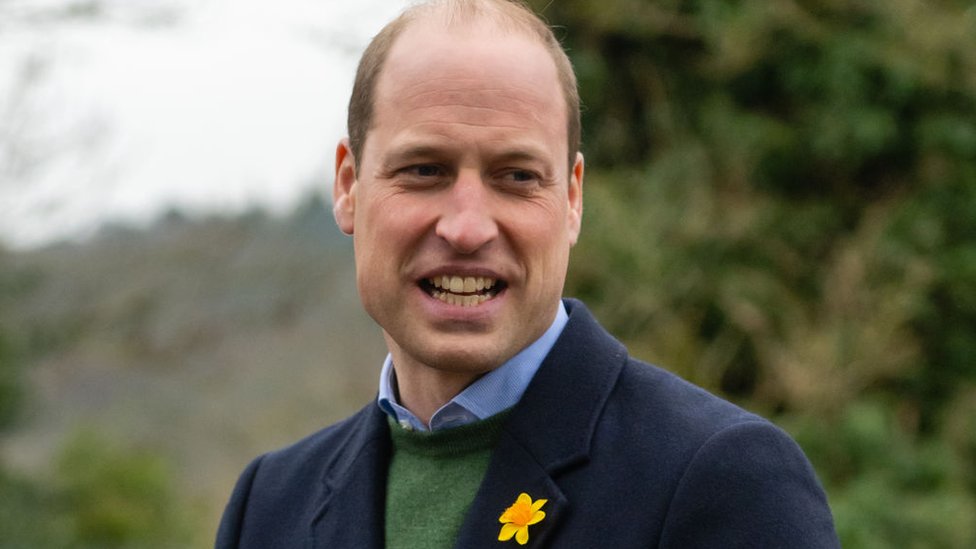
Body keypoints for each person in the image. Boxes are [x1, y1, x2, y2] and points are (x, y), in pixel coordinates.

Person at [216, 1, 840, 547]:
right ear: (349, 186)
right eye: (424, 170)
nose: (467, 227)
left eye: (516, 177)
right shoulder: (269, 504)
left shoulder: (722, 480)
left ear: (572, 200)